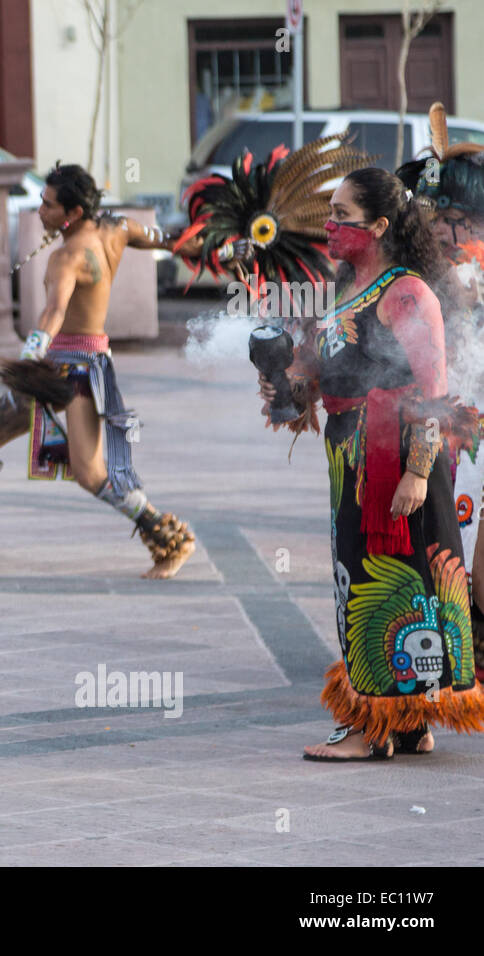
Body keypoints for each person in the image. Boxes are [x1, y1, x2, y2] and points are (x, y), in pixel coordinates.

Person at [259, 167, 484, 759]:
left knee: (384, 582)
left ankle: (368, 729)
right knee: (362, 575)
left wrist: (416, 468)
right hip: (351, 456)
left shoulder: (407, 292)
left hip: (396, 458)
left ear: (380, 226)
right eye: (329, 214)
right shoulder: (346, 289)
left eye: (341, 217)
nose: (329, 227)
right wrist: (282, 376)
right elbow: (324, 378)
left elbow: (434, 386)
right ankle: (406, 723)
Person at [0, 163, 198, 578]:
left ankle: (167, 538)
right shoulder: (118, 228)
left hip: (73, 373)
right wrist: (219, 248)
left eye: (48, 205)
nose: (40, 211)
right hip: (69, 366)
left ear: (73, 212)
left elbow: (54, 311)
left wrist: (31, 352)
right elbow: (170, 240)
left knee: (89, 473)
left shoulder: (67, 257)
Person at [396, 104, 484, 683]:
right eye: (467, 224)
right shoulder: (415, 280)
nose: (470, 237)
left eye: (474, 225)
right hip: (433, 431)